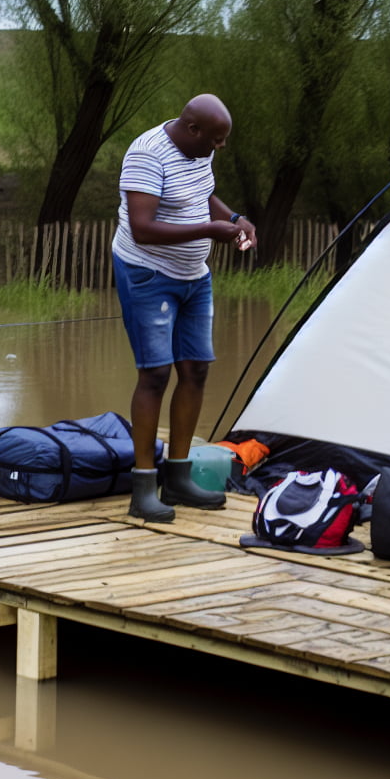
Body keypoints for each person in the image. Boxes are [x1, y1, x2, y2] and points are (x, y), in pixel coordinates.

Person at [112, 94, 258, 522]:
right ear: (193, 129)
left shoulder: (198, 150)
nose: (220, 147)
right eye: (216, 140)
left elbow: (205, 196)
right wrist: (211, 230)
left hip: (195, 276)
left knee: (196, 369)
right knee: (155, 374)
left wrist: (234, 220)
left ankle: (177, 478)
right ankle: (143, 488)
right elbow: (142, 229)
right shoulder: (146, 155)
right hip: (148, 275)